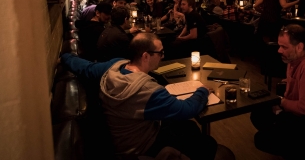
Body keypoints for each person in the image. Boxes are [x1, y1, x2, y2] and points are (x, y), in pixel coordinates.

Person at [60, 33, 217, 159]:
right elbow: (187, 109)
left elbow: (86, 68)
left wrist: (65, 57)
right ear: (146, 56)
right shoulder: (147, 90)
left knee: (189, 128)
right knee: (205, 142)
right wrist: (202, 91)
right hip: (143, 145)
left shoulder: (114, 66)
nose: (163, 56)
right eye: (160, 52)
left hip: (120, 141)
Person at [250, 24, 305, 157]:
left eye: (284, 47)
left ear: (300, 47)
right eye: (280, 45)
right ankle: (281, 133)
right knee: (258, 112)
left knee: (261, 139)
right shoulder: (297, 57)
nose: (279, 50)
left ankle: (295, 147)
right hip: (297, 112)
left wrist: (281, 102)